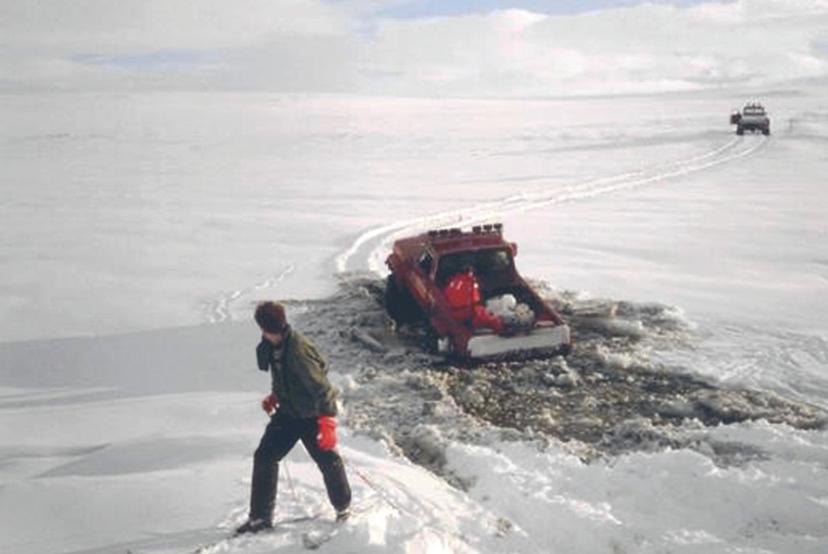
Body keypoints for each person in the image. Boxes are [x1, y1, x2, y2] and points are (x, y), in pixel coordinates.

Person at [235, 301, 352, 535]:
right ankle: (259, 519)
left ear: (267, 327)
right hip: (288, 414)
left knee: (328, 461)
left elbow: (323, 389)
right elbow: (284, 375)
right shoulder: (274, 345)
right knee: (265, 456)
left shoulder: (298, 351)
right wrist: (276, 395)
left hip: (312, 416)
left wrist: (328, 424)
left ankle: (343, 508)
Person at [443, 265, 505, 334]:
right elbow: (475, 300)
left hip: (454, 313)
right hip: (468, 313)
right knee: (492, 319)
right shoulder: (470, 282)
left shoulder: (452, 283)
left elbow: (447, 297)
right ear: (469, 273)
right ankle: (502, 330)